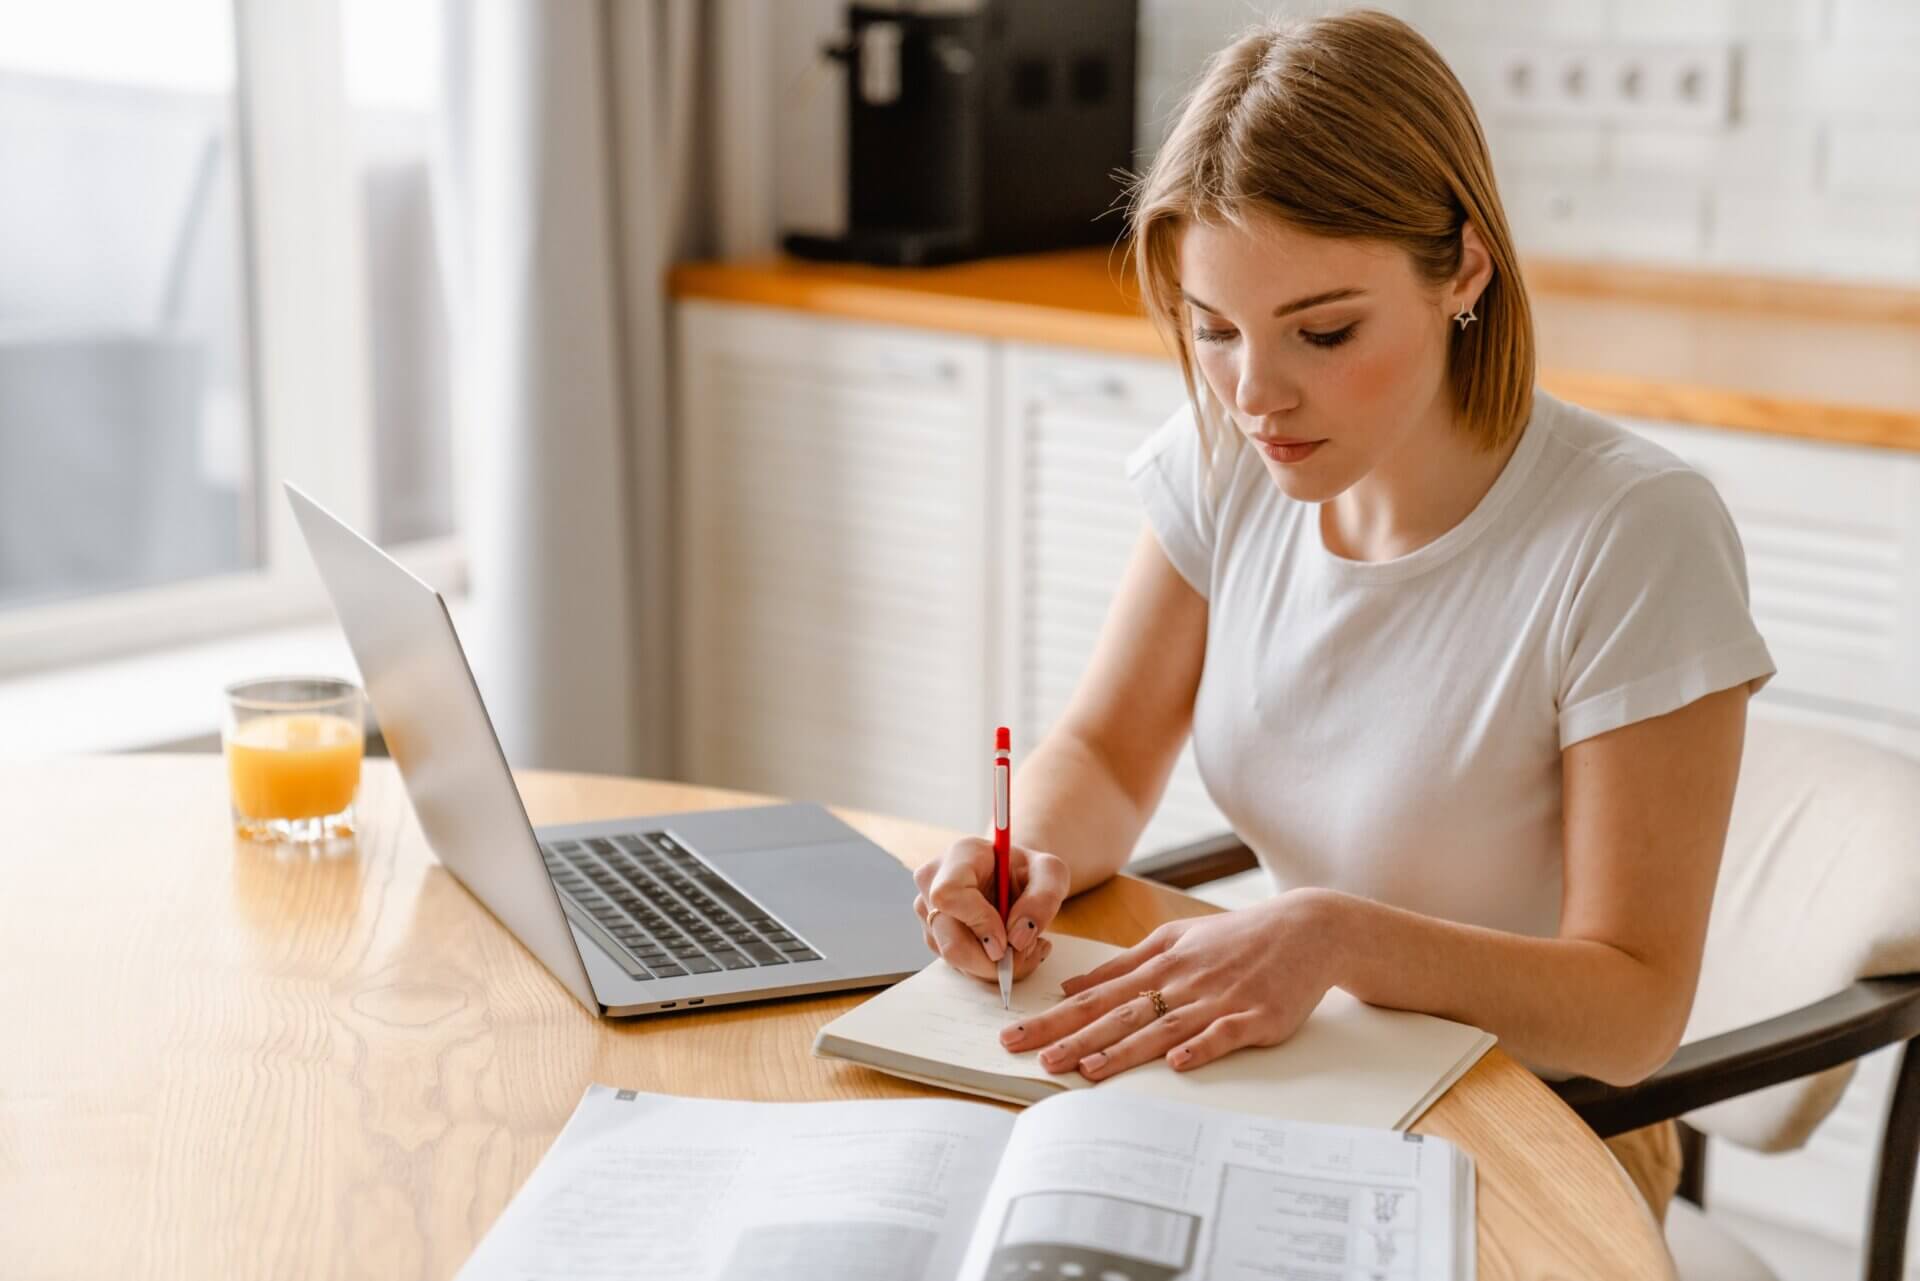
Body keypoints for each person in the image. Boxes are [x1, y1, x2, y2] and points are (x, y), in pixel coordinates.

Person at [909, 8, 1775, 1226]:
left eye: (1324, 331)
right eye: (1214, 331)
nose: (1256, 394)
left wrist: (1337, 939)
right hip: (1306, 1073)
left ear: (1465, 268)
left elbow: (1631, 1013)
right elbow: (1104, 753)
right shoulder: (1228, 460)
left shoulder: (1633, 536)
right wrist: (1022, 855)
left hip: (1539, 1126)